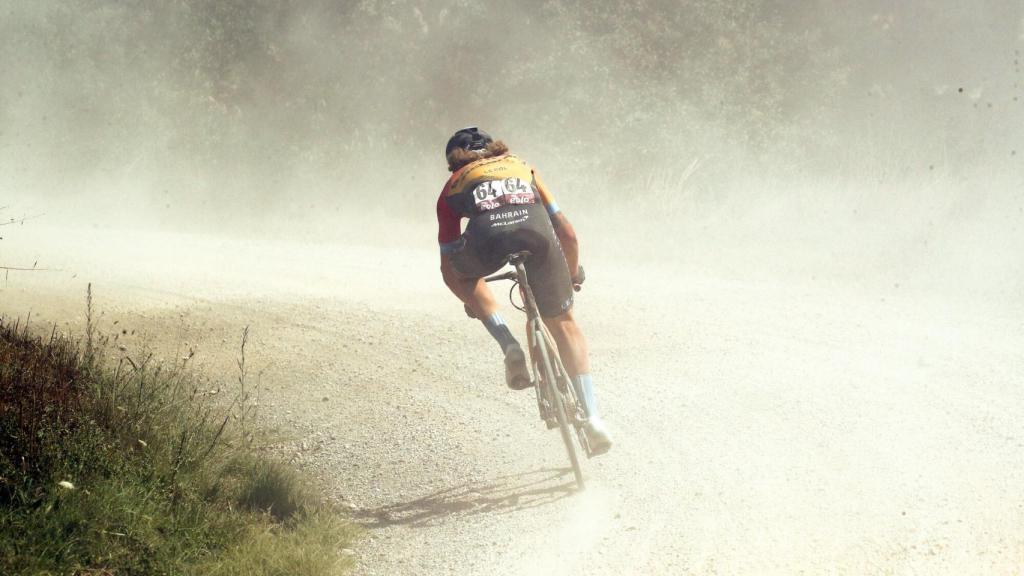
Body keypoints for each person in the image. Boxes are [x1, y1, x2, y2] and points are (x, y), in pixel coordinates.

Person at [435, 127, 611, 454]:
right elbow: (567, 233)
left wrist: (468, 295)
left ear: (452, 164)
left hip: (487, 240)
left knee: (464, 274)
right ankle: (593, 419)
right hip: (536, 233)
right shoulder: (522, 166)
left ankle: (509, 346)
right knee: (564, 322)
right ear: (496, 150)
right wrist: (571, 276)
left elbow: (448, 265)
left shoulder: (452, 186)